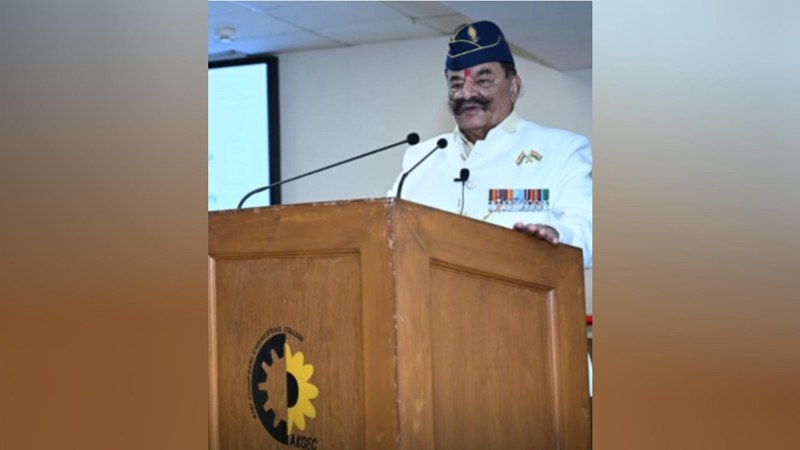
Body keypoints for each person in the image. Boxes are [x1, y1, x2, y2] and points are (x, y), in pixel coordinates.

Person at [388, 20, 593, 269]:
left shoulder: (561, 149)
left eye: (483, 81)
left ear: (514, 87)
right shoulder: (420, 159)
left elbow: (588, 228)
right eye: (456, 84)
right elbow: (387, 229)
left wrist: (556, 233)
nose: (466, 94)